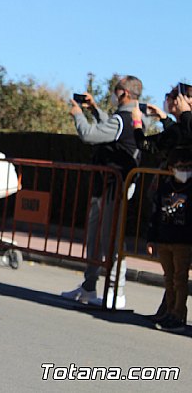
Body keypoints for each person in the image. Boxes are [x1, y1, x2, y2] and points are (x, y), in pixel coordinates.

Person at [61, 76, 144, 309]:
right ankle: (89, 286)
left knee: (111, 241)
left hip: (113, 188)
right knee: (96, 239)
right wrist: (95, 109)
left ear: (123, 93)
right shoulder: (129, 119)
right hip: (106, 186)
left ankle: (116, 291)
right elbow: (110, 128)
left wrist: (78, 114)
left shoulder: (124, 119)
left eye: (115, 90)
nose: (112, 94)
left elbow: (90, 134)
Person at [145, 147, 192, 333]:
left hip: (184, 241)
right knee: (169, 278)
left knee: (180, 279)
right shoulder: (165, 187)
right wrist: (151, 239)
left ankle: (178, 313)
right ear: (172, 168)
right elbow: (155, 214)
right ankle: (170, 310)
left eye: (189, 166)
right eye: (181, 166)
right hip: (165, 238)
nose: (185, 170)